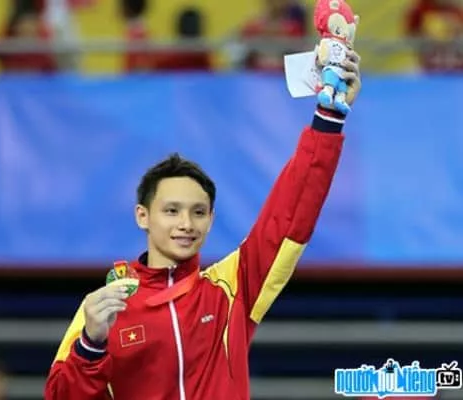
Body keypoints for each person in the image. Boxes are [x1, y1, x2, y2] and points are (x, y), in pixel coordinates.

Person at [45, 50, 362, 399]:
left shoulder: (232, 288)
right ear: (142, 216)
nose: (186, 224)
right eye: (171, 211)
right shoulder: (104, 307)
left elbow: (291, 211)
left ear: (211, 220)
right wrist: (90, 346)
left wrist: (329, 118)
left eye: (198, 212)